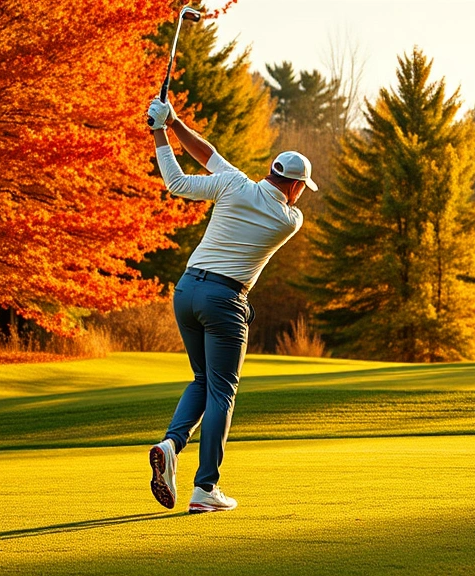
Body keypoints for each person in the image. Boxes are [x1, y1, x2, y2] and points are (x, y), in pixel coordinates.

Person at [145, 98, 316, 514]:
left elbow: (185, 176)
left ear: (271, 172)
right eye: (301, 190)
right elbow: (209, 155)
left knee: (203, 380)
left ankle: (171, 444)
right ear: (294, 187)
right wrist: (175, 122)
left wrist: (160, 132)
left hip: (186, 290)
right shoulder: (289, 220)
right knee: (222, 390)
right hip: (224, 299)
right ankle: (205, 489)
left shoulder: (235, 184)